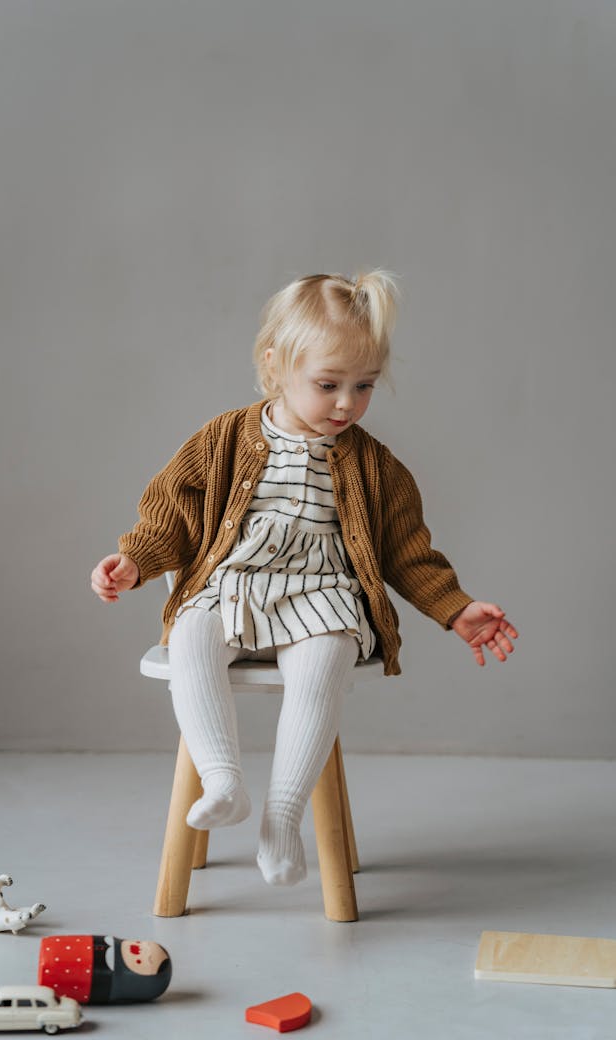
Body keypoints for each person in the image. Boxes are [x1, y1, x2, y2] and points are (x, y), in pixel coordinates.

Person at [91, 270, 518, 888]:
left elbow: (407, 550)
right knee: (190, 635)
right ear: (274, 366)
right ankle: (223, 780)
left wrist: (455, 608)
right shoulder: (222, 440)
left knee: (327, 661)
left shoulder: (373, 464)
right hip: (233, 586)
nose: (347, 403)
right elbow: (173, 515)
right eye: (328, 385)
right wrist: (134, 562)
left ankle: (283, 815)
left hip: (321, 595)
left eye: (364, 386)